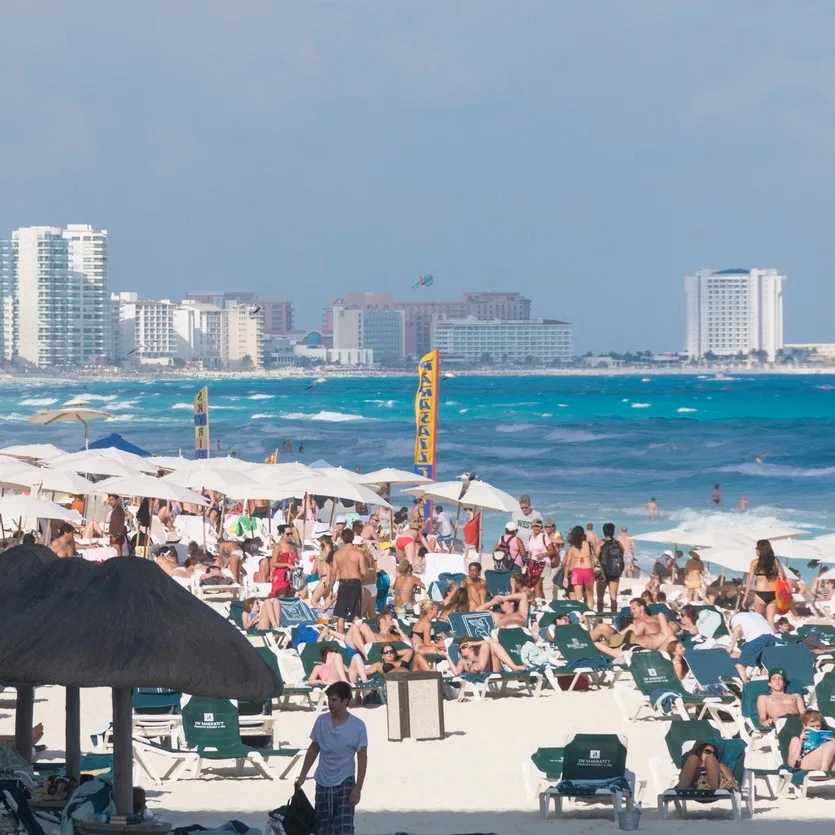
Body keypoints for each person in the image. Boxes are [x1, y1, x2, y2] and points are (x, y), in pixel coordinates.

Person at [295, 681, 367, 835]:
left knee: (344, 827)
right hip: (322, 780)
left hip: (345, 781)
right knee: (323, 827)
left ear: (345, 701)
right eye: (329, 699)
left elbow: (362, 757)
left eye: (334, 700)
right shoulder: (321, 721)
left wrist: (358, 787)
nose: (330, 703)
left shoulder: (358, 726)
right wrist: (302, 776)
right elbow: (314, 748)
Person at [329, 528, 368, 633]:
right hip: (355, 583)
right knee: (356, 613)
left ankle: (339, 637)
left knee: (341, 615)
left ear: (342, 538)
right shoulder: (359, 554)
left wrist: (330, 588)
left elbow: (333, 573)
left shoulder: (337, 554)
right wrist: (360, 578)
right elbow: (364, 572)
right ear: (353, 538)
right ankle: (357, 635)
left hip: (343, 584)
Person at [740, 539, 783, 627]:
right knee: (770, 621)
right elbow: (782, 577)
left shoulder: (755, 563)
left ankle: (760, 639)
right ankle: (772, 639)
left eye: (757, 548)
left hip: (761, 594)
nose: (756, 550)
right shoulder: (775, 561)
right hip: (773, 593)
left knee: (758, 620)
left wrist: (745, 598)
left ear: (760, 550)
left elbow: (750, 581)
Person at [447, 637, 528, 674]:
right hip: (477, 671)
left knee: (492, 644)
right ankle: (480, 668)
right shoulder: (463, 661)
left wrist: (475, 643)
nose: (461, 650)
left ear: (471, 647)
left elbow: (496, 640)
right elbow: (456, 673)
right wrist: (447, 656)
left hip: (490, 669)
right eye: (460, 649)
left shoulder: (482, 655)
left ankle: (513, 667)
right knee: (486, 643)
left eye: (464, 647)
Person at [562, 525, 596, 609]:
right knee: (590, 596)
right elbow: (594, 556)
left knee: (578, 598)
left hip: (577, 571)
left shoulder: (572, 547)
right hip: (588, 570)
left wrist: (565, 577)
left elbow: (567, 563)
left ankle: (580, 616)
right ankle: (590, 615)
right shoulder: (589, 544)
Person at [596, 522, 625, 613]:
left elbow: (595, 558)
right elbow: (622, 556)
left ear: (603, 532)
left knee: (600, 597)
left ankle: (600, 617)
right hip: (614, 573)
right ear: (613, 532)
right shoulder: (618, 544)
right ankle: (613, 618)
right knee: (613, 598)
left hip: (603, 574)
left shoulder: (600, 543)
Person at [526, 517, 555, 600]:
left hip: (544, 563)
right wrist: (527, 562)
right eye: (535, 526)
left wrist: (543, 554)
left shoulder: (544, 537)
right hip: (533, 564)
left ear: (541, 527)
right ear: (532, 527)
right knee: (538, 586)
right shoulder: (530, 537)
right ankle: (543, 603)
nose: (536, 528)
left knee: (537, 584)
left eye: (538, 526)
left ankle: (539, 604)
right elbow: (530, 552)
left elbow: (552, 551)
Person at [269, 525, 299, 598]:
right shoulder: (278, 546)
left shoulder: (293, 546)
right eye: (287, 534)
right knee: (281, 598)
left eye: (291, 534)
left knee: (290, 598)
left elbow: (296, 557)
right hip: (281, 574)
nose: (290, 536)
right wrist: (287, 564)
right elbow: (273, 563)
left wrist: (295, 559)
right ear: (282, 534)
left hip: (292, 574)